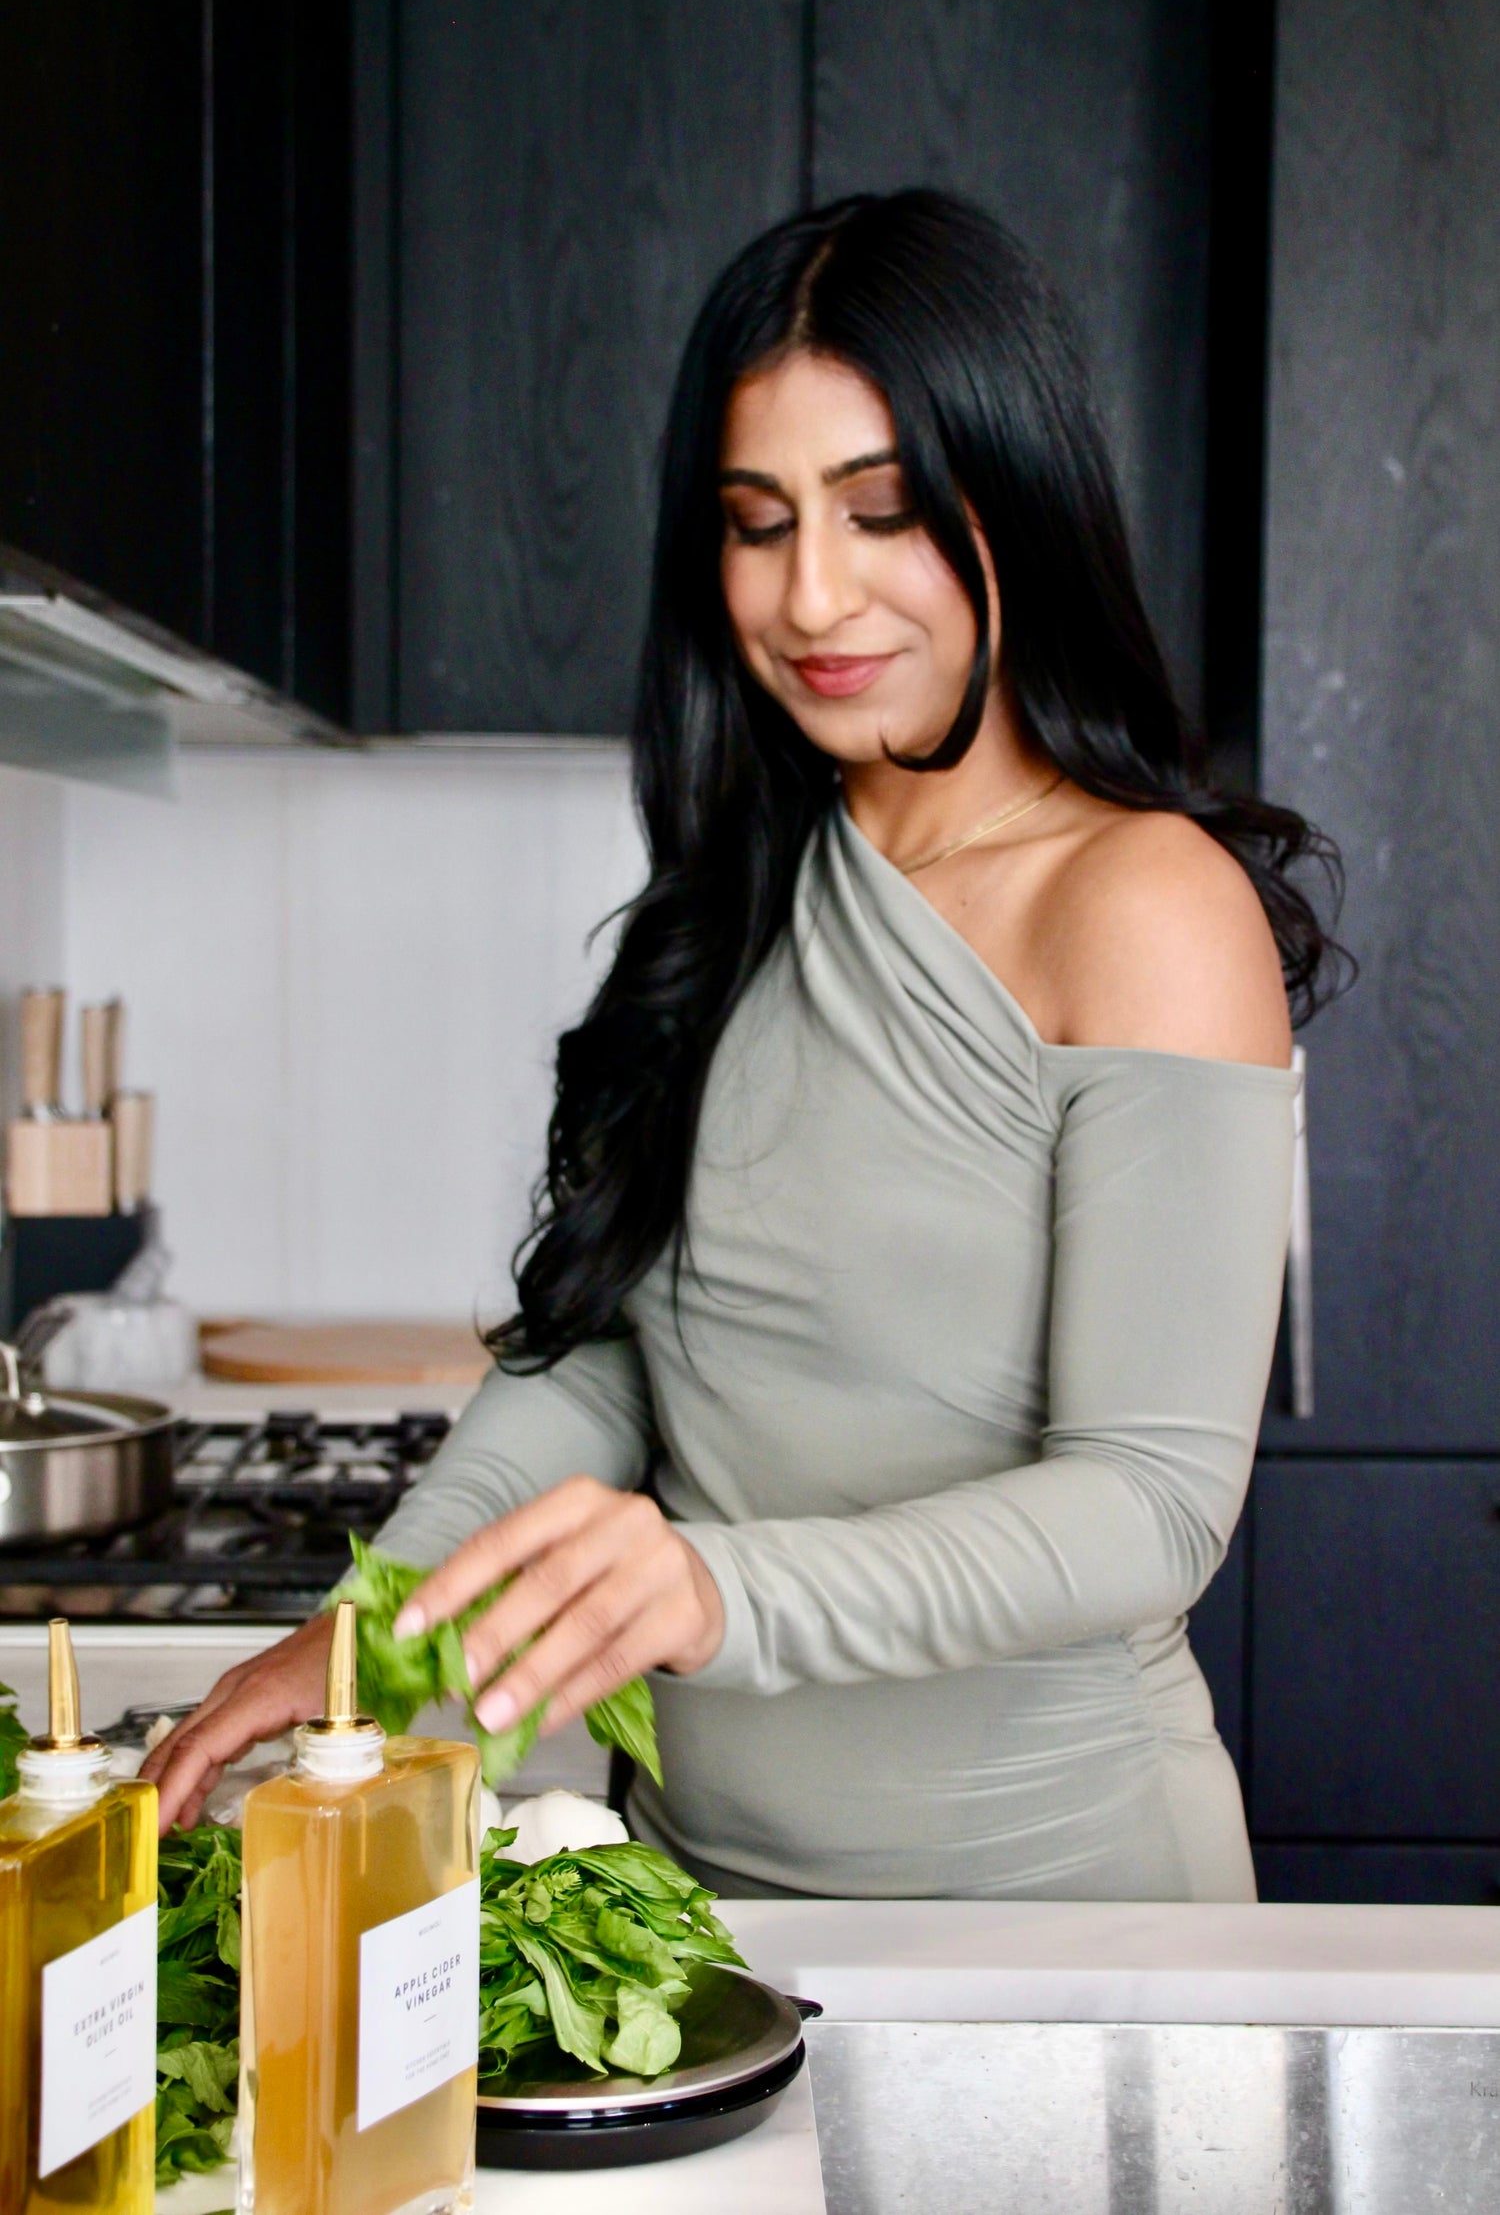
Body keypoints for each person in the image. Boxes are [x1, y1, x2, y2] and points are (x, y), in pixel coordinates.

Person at [146, 191, 1346, 1899]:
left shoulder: (1140, 902)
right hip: (701, 1914)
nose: (811, 595)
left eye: (883, 513)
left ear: (1016, 500)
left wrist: (718, 1591)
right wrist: (369, 1639)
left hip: (1054, 1923)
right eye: (756, 522)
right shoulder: (748, 884)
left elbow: (1150, 1508)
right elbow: (618, 1357)